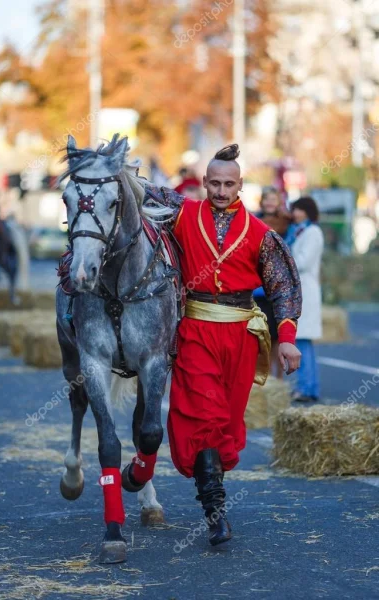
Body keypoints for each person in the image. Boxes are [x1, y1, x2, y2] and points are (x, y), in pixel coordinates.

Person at [142, 144, 302, 547]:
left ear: (241, 185)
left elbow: (282, 287)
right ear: (203, 182)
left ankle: (213, 496)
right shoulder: (181, 213)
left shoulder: (262, 234)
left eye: (228, 184)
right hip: (195, 330)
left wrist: (287, 341)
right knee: (206, 418)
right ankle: (216, 514)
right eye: (213, 182)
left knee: (227, 426)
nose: (220, 190)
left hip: (240, 337)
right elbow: (134, 190)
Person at [285, 196, 324, 403]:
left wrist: (285, 261)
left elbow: (303, 262)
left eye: (298, 210)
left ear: (308, 211)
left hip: (305, 292)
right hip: (300, 291)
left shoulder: (312, 232)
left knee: (302, 342)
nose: (295, 214)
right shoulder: (300, 231)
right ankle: (307, 386)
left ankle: (307, 388)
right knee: (302, 341)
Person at [253, 186, 292, 378]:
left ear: (279, 202)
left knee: (278, 337)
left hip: (277, 287)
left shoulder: (286, 224)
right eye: (266, 199)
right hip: (257, 288)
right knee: (260, 335)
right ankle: (262, 378)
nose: (269, 203)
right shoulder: (252, 221)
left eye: (273, 199)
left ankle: (278, 380)